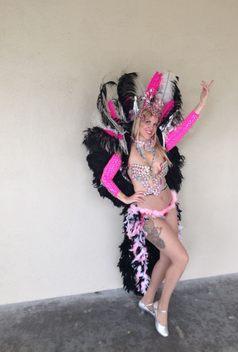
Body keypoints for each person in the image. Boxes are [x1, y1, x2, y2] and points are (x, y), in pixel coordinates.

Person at [82, 71, 213, 337]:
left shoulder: (162, 143)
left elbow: (185, 126)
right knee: (182, 258)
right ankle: (161, 308)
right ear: (138, 121)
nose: (150, 127)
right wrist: (126, 198)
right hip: (149, 217)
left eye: (154, 122)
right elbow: (107, 179)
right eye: (146, 121)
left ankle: (147, 299)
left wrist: (202, 103)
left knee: (167, 258)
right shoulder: (125, 150)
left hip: (170, 208)